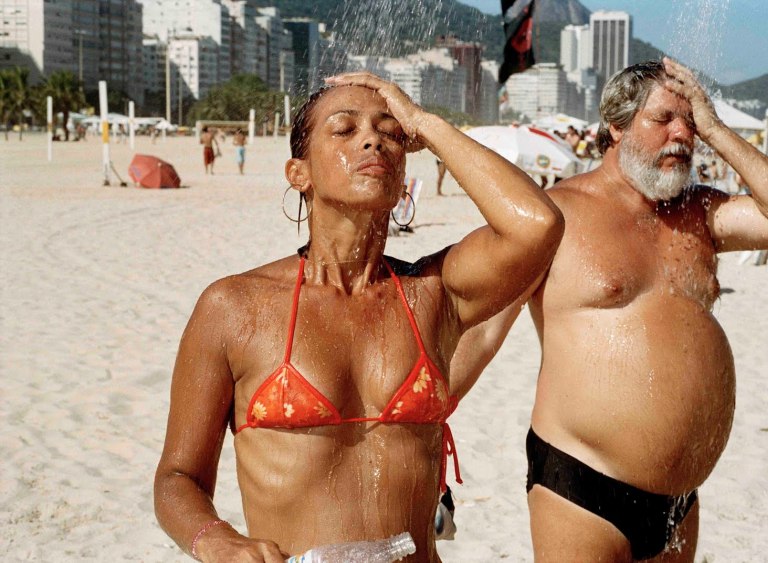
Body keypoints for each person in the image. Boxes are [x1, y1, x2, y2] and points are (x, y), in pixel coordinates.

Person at [154, 72, 563, 562]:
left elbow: (536, 225)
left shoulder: (432, 295)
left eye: (390, 133)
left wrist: (424, 124)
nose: (372, 139)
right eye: (344, 129)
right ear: (298, 172)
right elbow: (178, 479)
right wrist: (217, 542)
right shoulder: (236, 307)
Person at [450, 58, 768, 562]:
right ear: (616, 126)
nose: (682, 134)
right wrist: (425, 426)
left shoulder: (700, 214)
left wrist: (718, 129)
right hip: (581, 485)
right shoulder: (555, 216)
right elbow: (483, 335)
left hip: (680, 501)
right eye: (664, 118)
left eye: (691, 122)